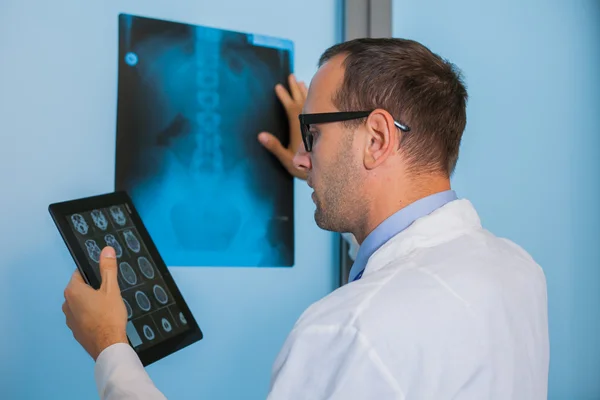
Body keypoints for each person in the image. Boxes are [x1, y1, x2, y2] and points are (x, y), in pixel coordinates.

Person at [62, 38, 549, 399]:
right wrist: (332, 167)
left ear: (376, 140)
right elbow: (405, 268)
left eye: (311, 133)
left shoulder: (349, 330)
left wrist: (110, 347)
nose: (303, 157)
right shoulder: (519, 270)